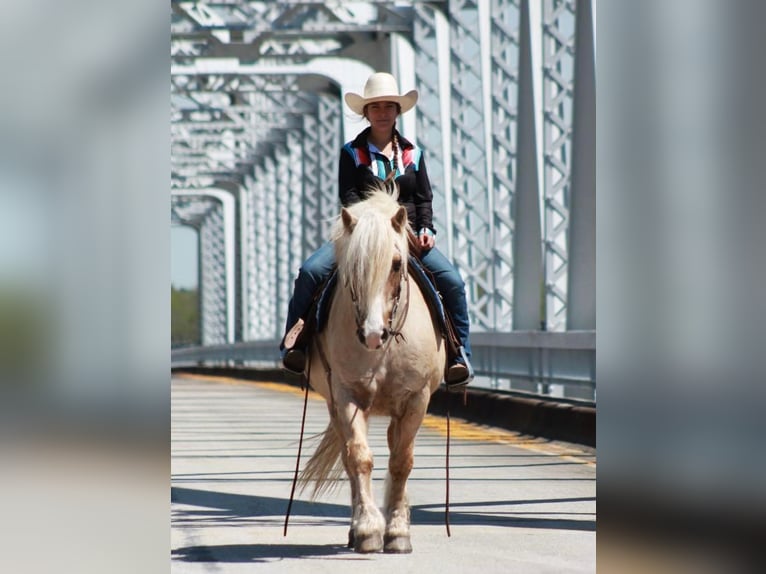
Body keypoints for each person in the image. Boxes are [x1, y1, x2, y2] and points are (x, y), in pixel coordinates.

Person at [281, 72, 473, 387]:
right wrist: (373, 225)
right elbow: (349, 198)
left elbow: (423, 199)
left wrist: (426, 227)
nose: (382, 112)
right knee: (310, 272)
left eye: (388, 106)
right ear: (366, 113)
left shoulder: (414, 155)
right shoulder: (350, 153)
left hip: (406, 237)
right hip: (363, 236)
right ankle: (296, 345)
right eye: (375, 107)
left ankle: (459, 354)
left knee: (452, 282)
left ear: (397, 111)